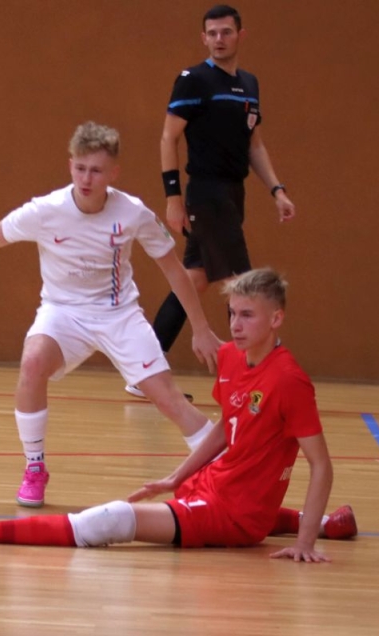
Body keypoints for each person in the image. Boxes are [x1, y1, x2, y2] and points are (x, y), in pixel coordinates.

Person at [0, 122, 221, 509]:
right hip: (62, 313)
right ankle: (35, 467)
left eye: (96, 170)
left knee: (168, 400)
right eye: (80, 168)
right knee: (32, 362)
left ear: (113, 174)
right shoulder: (45, 211)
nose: (87, 178)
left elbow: (172, 269)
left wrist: (201, 329)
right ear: (70, 166)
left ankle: (223, 470)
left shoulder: (132, 213)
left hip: (119, 315)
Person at [0, 268, 357, 561]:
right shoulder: (231, 358)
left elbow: (321, 465)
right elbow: (226, 432)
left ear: (276, 318)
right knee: (163, 502)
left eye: (248, 315)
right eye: (232, 313)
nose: (235, 324)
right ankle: (327, 523)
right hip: (213, 484)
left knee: (114, 520)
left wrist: (304, 544)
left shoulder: (289, 381)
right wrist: (176, 476)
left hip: (234, 515)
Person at [128, 4, 296, 401]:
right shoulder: (193, 80)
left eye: (226, 32)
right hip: (206, 192)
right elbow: (169, 138)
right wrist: (173, 198)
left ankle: (142, 371)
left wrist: (277, 189)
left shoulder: (249, 84)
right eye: (212, 33)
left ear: (240, 35)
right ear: (204, 38)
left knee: (194, 281)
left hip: (232, 194)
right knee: (244, 283)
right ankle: (251, 374)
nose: (219, 39)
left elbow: (254, 144)